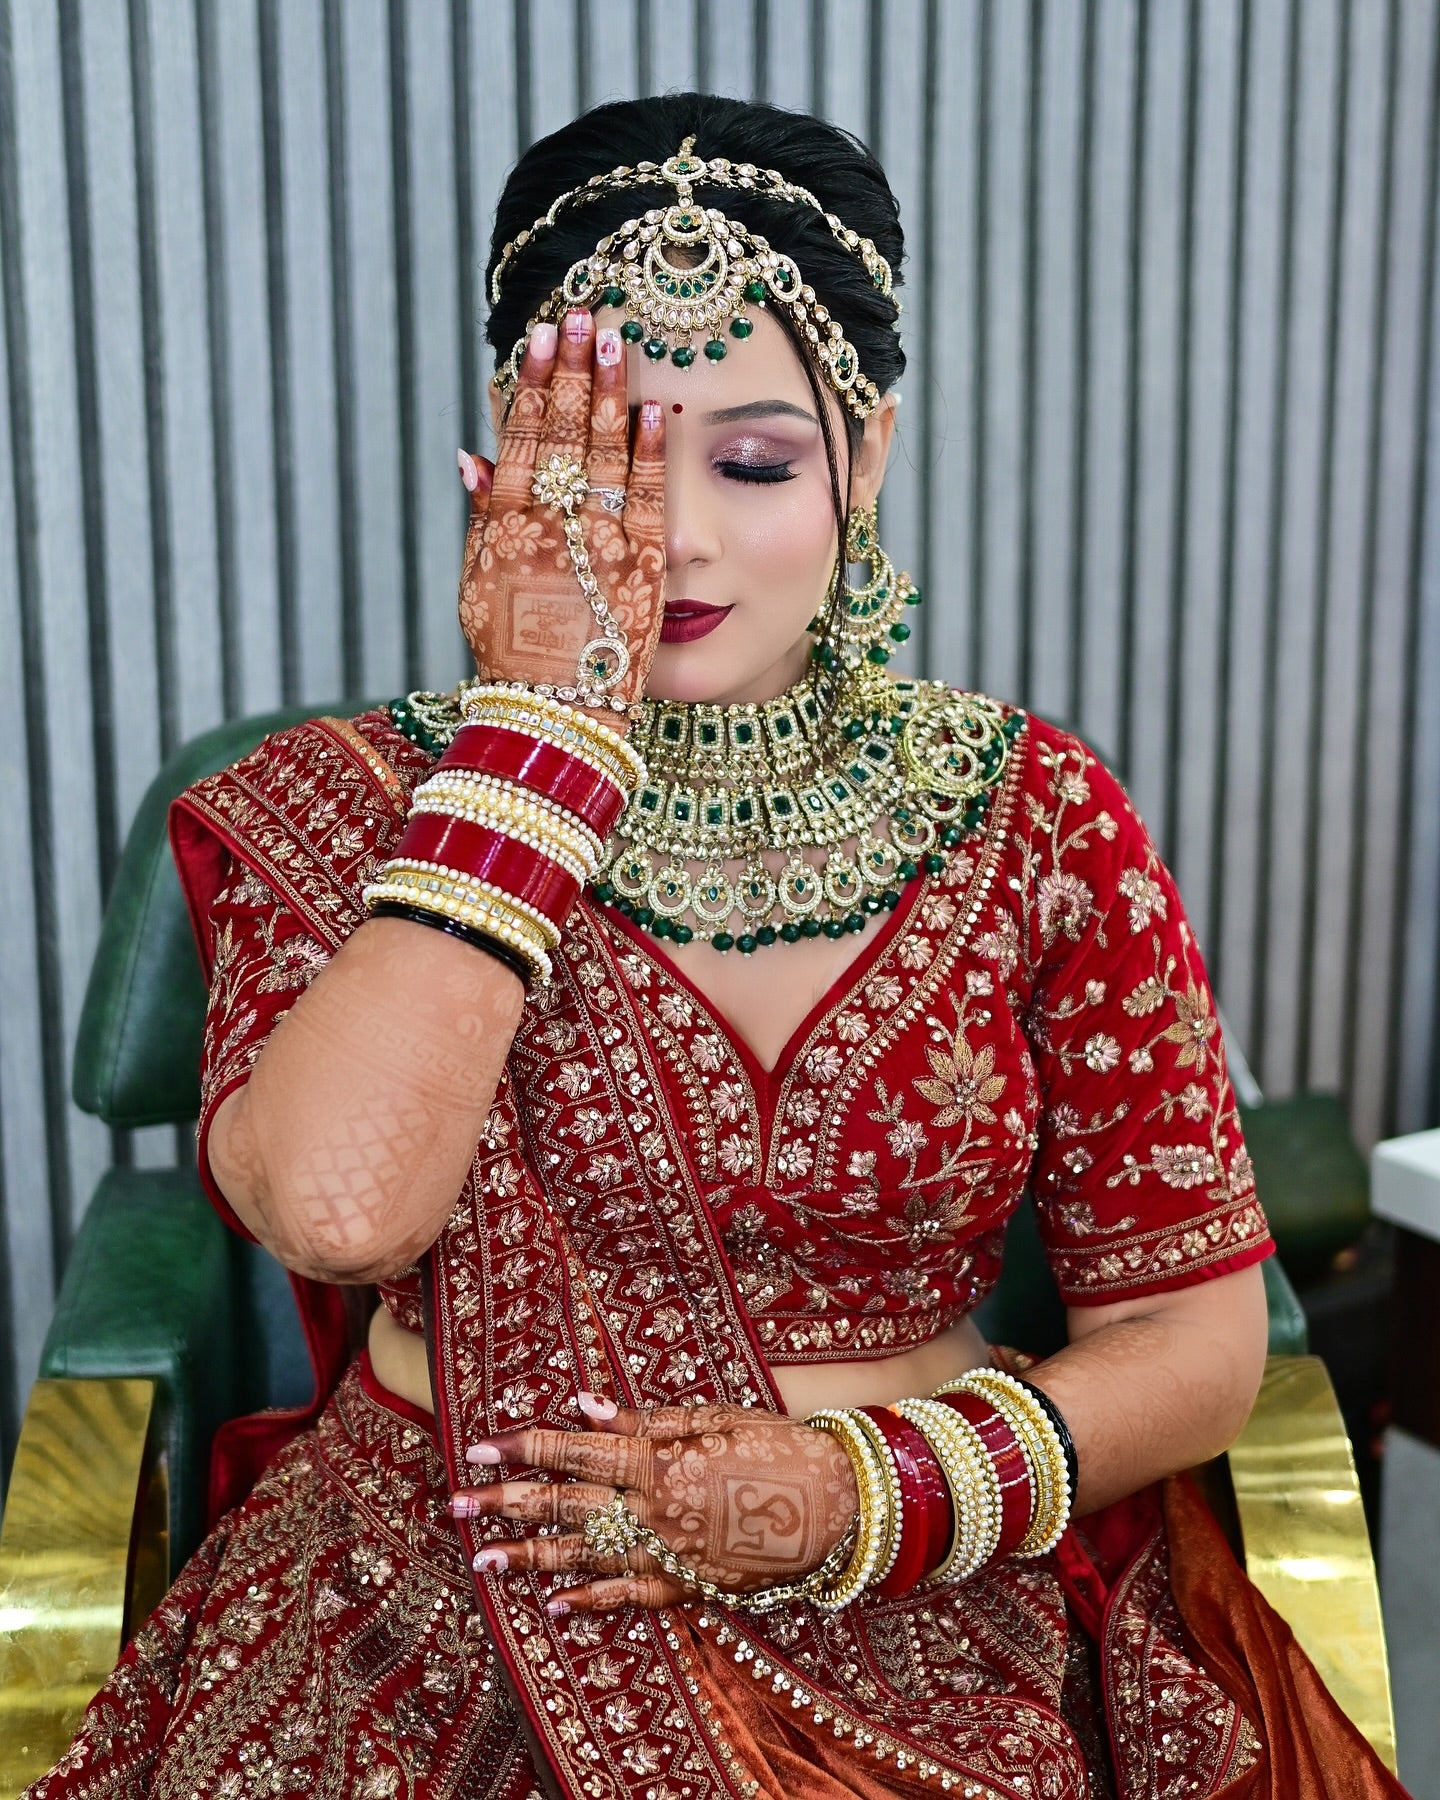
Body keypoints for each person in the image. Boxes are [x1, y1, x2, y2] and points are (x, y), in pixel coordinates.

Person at [28, 92, 1404, 1800]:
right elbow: (340, 1211)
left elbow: (1196, 1346)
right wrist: (536, 742)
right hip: (425, 1604)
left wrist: (858, 1496)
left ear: (864, 459)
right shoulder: (352, 804)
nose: (674, 534)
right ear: (507, 457)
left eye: (753, 464)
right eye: (607, 460)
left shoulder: (1038, 817)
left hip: (911, 1602)